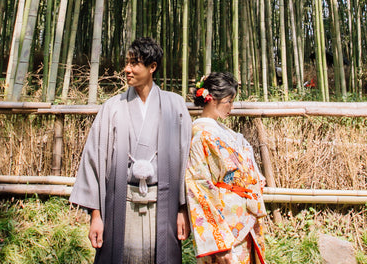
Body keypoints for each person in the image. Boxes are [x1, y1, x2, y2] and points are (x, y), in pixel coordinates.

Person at [70, 37, 192, 264]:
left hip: (163, 206)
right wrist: (96, 216)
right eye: (127, 63)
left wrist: (182, 209)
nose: (127, 69)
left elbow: (187, 162)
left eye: (134, 63)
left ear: (152, 67)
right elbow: (94, 161)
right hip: (120, 205)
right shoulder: (112, 108)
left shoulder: (175, 106)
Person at [185, 72, 267, 264]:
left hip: (243, 217)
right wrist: (217, 241)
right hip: (226, 224)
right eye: (228, 101)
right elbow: (200, 188)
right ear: (211, 99)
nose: (231, 107)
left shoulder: (223, 132)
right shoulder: (201, 135)